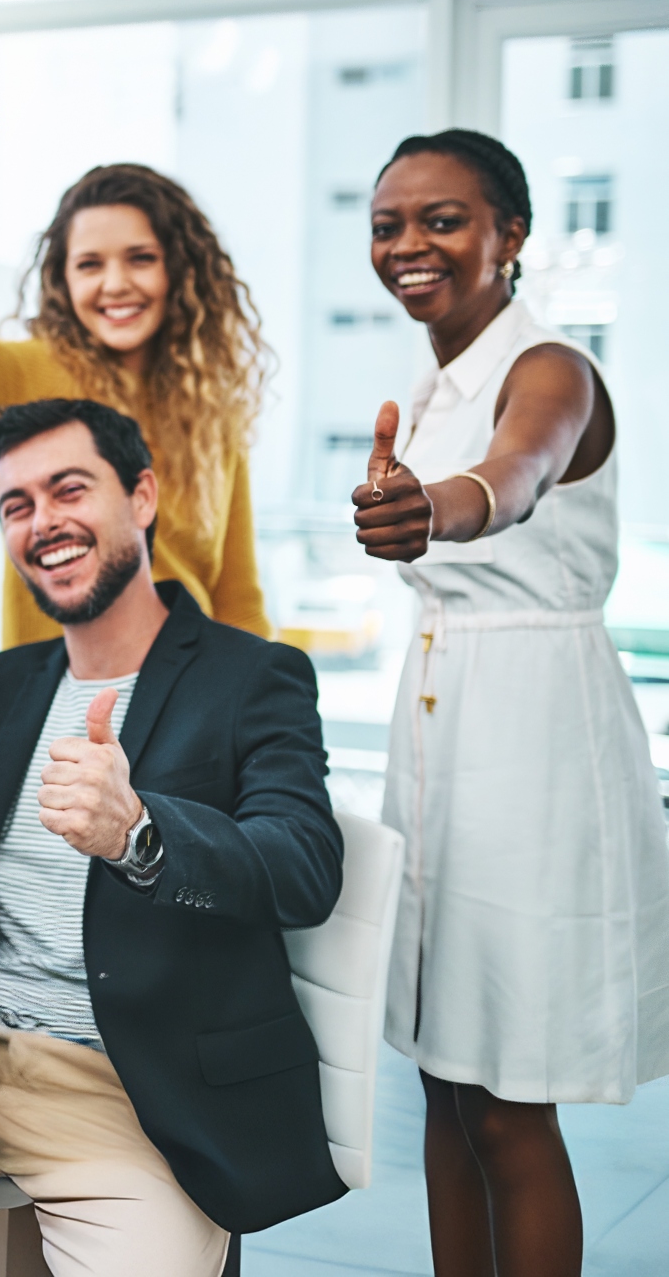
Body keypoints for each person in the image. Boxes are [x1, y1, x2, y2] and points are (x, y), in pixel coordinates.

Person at [0, 397, 344, 1277]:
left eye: (69, 489)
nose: (43, 521)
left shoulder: (254, 677)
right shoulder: (2, 685)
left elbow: (304, 865)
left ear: (141, 497)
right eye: (17, 505)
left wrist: (140, 834)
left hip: (136, 1095)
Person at [353, 130, 669, 1277]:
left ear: (511, 235)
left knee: (507, 1099)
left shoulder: (554, 369)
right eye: (389, 224)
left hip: (535, 745)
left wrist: (438, 506)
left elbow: (515, 475)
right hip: (439, 733)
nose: (410, 243)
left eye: (443, 219)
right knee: (444, 1080)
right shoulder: (435, 385)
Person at [0, 59, 271, 647]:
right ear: (62, 281)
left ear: (179, 270)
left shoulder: (211, 408)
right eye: (90, 265)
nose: (115, 284)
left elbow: (236, 596)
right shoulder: (33, 377)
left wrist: (269, 692)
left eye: (140, 259)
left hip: (191, 691)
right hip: (64, 686)